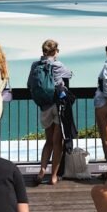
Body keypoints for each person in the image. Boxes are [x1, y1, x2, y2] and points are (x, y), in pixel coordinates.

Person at [30, 39, 74, 185]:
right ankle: (54, 176)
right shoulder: (57, 65)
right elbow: (70, 74)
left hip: (44, 106)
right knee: (58, 142)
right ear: (55, 51)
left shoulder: (35, 65)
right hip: (59, 105)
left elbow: (29, 84)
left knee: (48, 141)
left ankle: (42, 169)